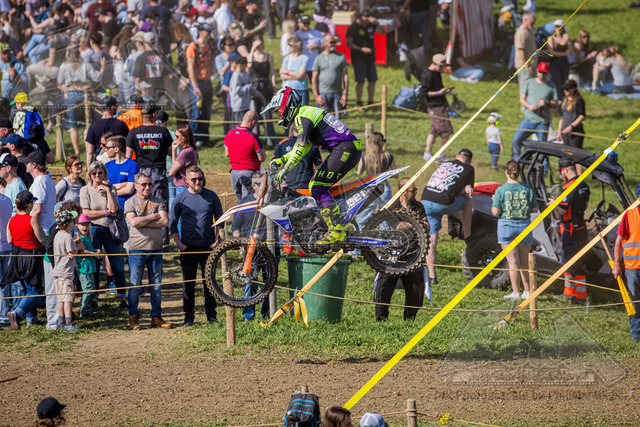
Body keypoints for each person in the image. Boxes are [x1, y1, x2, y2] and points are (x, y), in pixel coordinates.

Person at [263, 86, 362, 245]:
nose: (279, 116)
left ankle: (336, 230)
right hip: (347, 148)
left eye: (278, 111)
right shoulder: (305, 113)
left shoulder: (302, 117)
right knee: (317, 186)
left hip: (345, 149)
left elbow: (301, 146)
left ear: (287, 106)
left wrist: (286, 169)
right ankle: (333, 222)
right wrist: (282, 160)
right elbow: (306, 146)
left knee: (317, 187)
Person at [170, 166, 224, 326]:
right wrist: (179, 244)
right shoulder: (180, 198)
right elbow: (172, 223)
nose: (197, 182)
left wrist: (217, 241)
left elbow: (220, 220)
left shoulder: (211, 196)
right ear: (186, 180)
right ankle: (188, 317)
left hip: (209, 247)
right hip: (188, 248)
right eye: (194, 179)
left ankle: (211, 316)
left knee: (210, 283)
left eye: (200, 178)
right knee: (188, 284)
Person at [373, 178, 427, 321]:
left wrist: (414, 225)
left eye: (415, 190)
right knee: (384, 287)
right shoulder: (392, 206)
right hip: (392, 253)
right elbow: (399, 227)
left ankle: (409, 320)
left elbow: (427, 227)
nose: (415, 193)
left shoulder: (418, 206)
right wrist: (417, 224)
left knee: (415, 291)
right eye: (412, 191)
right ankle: (381, 320)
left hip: (413, 252)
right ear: (403, 192)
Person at [125, 172, 171, 330]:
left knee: (156, 285)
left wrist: (143, 222)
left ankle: (156, 317)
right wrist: (152, 217)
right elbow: (133, 222)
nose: (147, 187)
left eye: (150, 184)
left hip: (156, 249)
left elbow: (164, 221)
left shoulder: (158, 201)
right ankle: (134, 317)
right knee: (135, 285)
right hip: (137, 249)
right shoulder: (130, 202)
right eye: (144, 184)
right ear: (136, 185)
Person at [421, 149, 474, 284]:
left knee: (431, 240)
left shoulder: (444, 164)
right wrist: (466, 188)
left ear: (456, 157)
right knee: (467, 200)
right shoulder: (469, 169)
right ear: (469, 161)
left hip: (425, 200)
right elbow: (468, 192)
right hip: (443, 203)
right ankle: (468, 235)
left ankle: (432, 277)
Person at [80, 161, 127, 307]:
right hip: (93, 229)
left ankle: (122, 297)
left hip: (110, 229)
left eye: (100, 172)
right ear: (90, 175)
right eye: (94, 173)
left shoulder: (111, 188)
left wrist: (107, 191)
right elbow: (86, 213)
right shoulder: (85, 190)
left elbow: (114, 209)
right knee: (94, 263)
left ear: (104, 173)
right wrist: (105, 212)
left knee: (116, 263)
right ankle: (94, 298)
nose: (97, 175)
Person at [491, 160, 538, 300]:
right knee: (524, 263)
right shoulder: (527, 189)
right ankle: (528, 291)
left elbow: (495, 212)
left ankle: (516, 292)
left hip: (506, 227)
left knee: (513, 262)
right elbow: (535, 209)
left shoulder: (501, 190)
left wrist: (494, 201)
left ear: (506, 172)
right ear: (519, 173)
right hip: (524, 226)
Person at [22, 151, 57, 330]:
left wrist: (38, 236)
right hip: (45, 230)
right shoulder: (46, 180)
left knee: (38, 278)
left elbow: (36, 210)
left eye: (27, 163)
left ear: (34, 165)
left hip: (41, 233)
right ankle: (35, 313)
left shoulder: (40, 181)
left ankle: (24, 312)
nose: (25, 165)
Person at [550, 157, 590, 306]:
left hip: (570, 228)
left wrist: (554, 204)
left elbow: (562, 210)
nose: (561, 176)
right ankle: (577, 294)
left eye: (561, 172)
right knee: (578, 260)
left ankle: (573, 295)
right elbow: (586, 205)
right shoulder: (584, 184)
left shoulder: (569, 187)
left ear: (565, 170)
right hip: (581, 227)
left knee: (569, 260)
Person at [3, 190, 46, 330]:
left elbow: (10, 239)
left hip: (17, 256)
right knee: (37, 290)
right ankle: (17, 313)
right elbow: (42, 239)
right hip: (32, 256)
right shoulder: (31, 219)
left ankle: (32, 319)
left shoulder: (12, 220)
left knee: (28, 288)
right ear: (29, 205)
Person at [56, 44, 105, 156]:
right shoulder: (85, 64)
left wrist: (65, 88)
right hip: (84, 93)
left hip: (72, 94)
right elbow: (97, 77)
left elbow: (60, 80)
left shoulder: (64, 65)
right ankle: (89, 152)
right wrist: (102, 67)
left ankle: (77, 152)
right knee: (87, 124)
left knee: (73, 125)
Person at [126, 103, 173, 207]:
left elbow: (128, 157)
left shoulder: (133, 132)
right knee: (160, 205)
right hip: (158, 172)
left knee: (142, 203)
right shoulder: (163, 131)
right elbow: (170, 152)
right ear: (154, 115)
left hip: (141, 171)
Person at [511, 61, 558, 160]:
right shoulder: (530, 82)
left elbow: (555, 104)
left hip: (542, 122)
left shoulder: (552, 86)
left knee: (543, 149)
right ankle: (515, 163)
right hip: (528, 119)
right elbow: (522, 99)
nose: (542, 74)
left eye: (544, 72)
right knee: (516, 140)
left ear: (547, 73)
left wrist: (546, 103)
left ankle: (543, 168)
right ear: (537, 71)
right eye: (540, 72)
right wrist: (529, 106)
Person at [612, 184, 640, 343]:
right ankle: (637, 336)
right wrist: (617, 265)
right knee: (635, 303)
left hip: (633, 270)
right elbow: (618, 241)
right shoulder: (629, 215)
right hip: (632, 270)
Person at [354, 131, 396, 230]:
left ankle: (357, 237)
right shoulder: (388, 156)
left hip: (370, 189)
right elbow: (395, 174)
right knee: (385, 219)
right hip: (384, 188)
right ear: (381, 143)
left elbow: (359, 172)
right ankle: (385, 238)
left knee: (361, 219)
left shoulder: (365, 157)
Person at [224, 110, 267, 203]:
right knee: (247, 201)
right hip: (248, 172)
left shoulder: (230, 133)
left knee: (240, 201)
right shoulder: (253, 136)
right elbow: (262, 158)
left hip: (234, 173)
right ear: (253, 122)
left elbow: (227, 153)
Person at [421, 53, 454, 162]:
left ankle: (427, 154)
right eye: (441, 66)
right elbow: (423, 93)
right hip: (435, 107)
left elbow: (439, 89)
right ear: (434, 63)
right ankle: (440, 155)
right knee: (446, 131)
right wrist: (438, 93)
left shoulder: (437, 73)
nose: (442, 68)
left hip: (441, 105)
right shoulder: (428, 75)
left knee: (434, 131)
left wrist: (445, 96)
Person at [187, 23, 216, 147]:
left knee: (206, 112)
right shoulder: (193, 47)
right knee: (196, 112)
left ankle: (204, 138)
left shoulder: (210, 45)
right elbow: (190, 67)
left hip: (207, 82)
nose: (209, 34)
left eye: (210, 31)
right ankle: (192, 139)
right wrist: (195, 86)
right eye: (207, 31)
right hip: (197, 83)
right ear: (200, 32)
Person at [52, 210, 80, 333]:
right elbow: (71, 254)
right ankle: (69, 323)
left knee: (61, 299)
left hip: (57, 271)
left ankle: (60, 322)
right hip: (66, 272)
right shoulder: (67, 236)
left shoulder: (57, 235)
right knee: (68, 298)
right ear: (70, 224)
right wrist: (77, 248)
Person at [346, 9, 379, 107]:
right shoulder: (353, 27)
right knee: (360, 81)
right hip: (358, 57)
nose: (367, 22)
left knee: (372, 80)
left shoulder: (371, 25)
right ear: (360, 18)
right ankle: (359, 102)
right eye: (366, 20)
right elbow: (349, 43)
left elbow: (383, 31)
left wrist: (377, 23)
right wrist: (361, 49)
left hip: (370, 57)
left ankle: (370, 102)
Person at [311, 33, 348, 118]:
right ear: (325, 43)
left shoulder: (341, 57)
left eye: (334, 42)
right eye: (331, 42)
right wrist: (316, 96)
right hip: (323, 94)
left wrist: (345, 93)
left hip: (337, 94)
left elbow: (345, 76)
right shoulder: (318, 58)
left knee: (337, 121)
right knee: (323, 120)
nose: (333, 44)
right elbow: (314, 79)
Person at [248, 35, 276, 145]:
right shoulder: (251, 56)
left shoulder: (269, 56)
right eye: (256, 44)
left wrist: (274, 86)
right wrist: (252, 49)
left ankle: (270, 139)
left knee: (267, 114)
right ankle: (255, 139)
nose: (259, 46)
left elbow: (272, 73)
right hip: (255, 86)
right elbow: (249, 66)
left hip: (265, 86)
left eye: (260, 44)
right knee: (254, 113)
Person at [85, 95, 129, 165]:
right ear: (113, 107)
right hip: (117, 163)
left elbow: (90, 152)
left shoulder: (93, 126)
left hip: (100, 164)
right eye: (116, 106)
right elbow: (127, 147)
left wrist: (89, 168)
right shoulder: (121, 125)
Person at [104, 135, 139, 211]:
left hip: (127, 209)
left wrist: (110, 190)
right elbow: (103, 187)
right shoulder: (107, 165)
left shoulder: (132, 165)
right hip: (111, 208)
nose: (105, 150)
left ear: (116, 149)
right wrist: (123, 184)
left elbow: (129, 190)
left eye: (108, 148)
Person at [229, 55, 264, 124]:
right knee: (239, 126)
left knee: (246, 125)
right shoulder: (236, 76)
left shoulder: (245, 74)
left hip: (246, 105)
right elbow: (237, 90)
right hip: (238, 107)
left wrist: (259, 95)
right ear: (239, 65)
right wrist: (248, 86)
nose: (246, 66)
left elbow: (251, 89)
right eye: (245, 64)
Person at [76, 214, 98, 318]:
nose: (85, 227)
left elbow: (87, 249)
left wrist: (95, 251)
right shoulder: (79, 238)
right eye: (83, 225)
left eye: (87, 224)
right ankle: (84, 310)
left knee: (91, 289)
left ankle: (88, 309)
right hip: (84, 268)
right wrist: (94, 254)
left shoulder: (87, 238)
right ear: (77, 226)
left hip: (89, 267)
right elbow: (81, 251)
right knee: (87, 289)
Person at [279, 35, 310, 105]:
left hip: (301, 89)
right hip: (287, 90)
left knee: (301, 111)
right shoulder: (287, 58)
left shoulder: (305, 58)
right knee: (286, 110)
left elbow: (301, 75)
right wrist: (298, 76)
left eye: (290, 45)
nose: (289, 47)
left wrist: (287, 72)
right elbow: (282, 76)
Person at [557, 79, 586, 149]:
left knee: (574, 153)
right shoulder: (564, 100)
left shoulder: (579, 100)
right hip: (564, 132)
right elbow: (562, 117)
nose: (564, 90)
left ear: (573, 88)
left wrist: (570, 127)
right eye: (564, 88)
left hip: (575, 132)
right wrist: (559, 132)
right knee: (565, 152)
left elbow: (582, 116)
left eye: (567, 89)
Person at [546, 19, 571, 95]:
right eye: (556, 27)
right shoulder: (550, 38)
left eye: (559, 27)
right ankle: (557, 97)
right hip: (554, 62)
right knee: (557, 80)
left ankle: (563, 97)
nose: (558, 29)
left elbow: (570, 51)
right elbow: (552, 52)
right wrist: (563, 54)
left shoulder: (566, 37)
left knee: (565, 81)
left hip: (565, 63)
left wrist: (567, 41)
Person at [513, 13, 536, 94]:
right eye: (532, 21)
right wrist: (526, 65)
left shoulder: (529, 30)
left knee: (531, 88)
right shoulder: (521, 32)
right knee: (524, 87)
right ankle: (524, 102)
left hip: (531, 64)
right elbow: (520, 49)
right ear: (525, 20)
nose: (534, 23)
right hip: (524, 65)